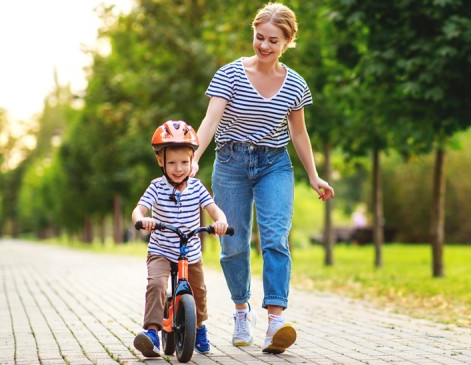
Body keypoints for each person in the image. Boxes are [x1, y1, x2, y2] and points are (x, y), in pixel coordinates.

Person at [190, 2, 334, 354]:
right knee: (233, 243)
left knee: (275, 239)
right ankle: (242, 311)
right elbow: (210, 122)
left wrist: (314, 176)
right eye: (259, 38)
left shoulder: (295, 84)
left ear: (287, 42)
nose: (264, 46)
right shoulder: (230, 74)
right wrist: (193, 158)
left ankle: (274, 323)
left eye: (273, 40)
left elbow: (299, 134)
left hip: (274, 165)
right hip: (230, 163)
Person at [131, 120, 230, 357]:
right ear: (160, 161)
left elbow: (214, 209)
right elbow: (138, 210)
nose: (178, 168)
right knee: (156, 285)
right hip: (161, 249)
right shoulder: (156, 187)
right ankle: (153, 333)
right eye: (172, 163)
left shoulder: (196, 187)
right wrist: (143, 221)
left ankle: (199, 326)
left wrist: (220, 222)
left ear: (192, 161)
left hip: (191, 251)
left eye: (184, 162)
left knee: (200, 291)